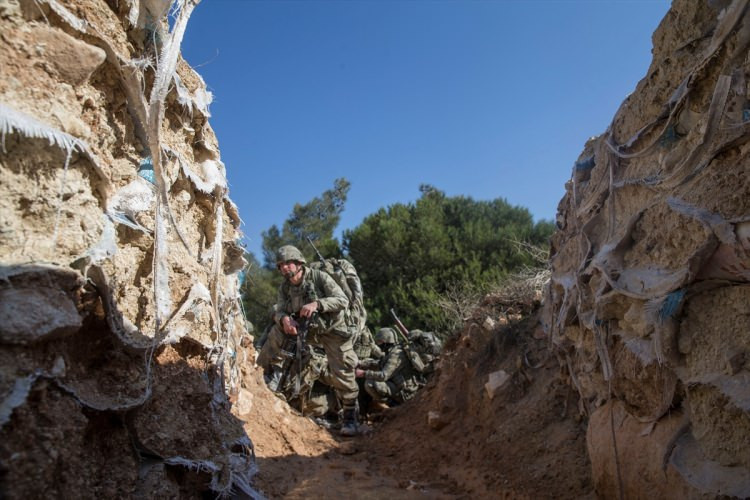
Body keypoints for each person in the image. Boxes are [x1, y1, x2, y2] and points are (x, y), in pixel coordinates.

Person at [258, 245, 360, 436]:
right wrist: (283, 319)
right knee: (276, 329)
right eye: (281, 265)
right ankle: (265, 374)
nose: (285, 268)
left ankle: (349, 415)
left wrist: (318, 304)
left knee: (343, 371)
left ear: (299, 263)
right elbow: (280, 309)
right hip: (308, 330)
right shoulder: (285, 288)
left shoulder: (319, 277)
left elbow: (342, 300)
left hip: (333, 330)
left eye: (288, 263)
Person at [355, 327, 421, 407]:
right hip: (398, 386)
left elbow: (384, 375)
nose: (378, 345)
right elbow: (380, 363)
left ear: (385, 342)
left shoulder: (396, 354)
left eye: (380, 342)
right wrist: (362, 363)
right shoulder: (392, 351)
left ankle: (393, 405)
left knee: (370, 383)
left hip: (406, 392)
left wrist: (364, 373)